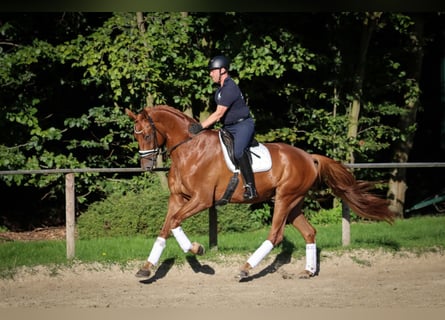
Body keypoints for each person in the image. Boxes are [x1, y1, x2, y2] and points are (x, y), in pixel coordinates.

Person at [189, 55, 257, 200]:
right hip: (228, 126)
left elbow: (219, 113)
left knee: (238, 152)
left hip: (242, 125)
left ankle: (251, 187)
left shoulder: (230, 88)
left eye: (213, 70)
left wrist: (200, 126)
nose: (210, 74)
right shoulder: (219, 90)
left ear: (223, 70)